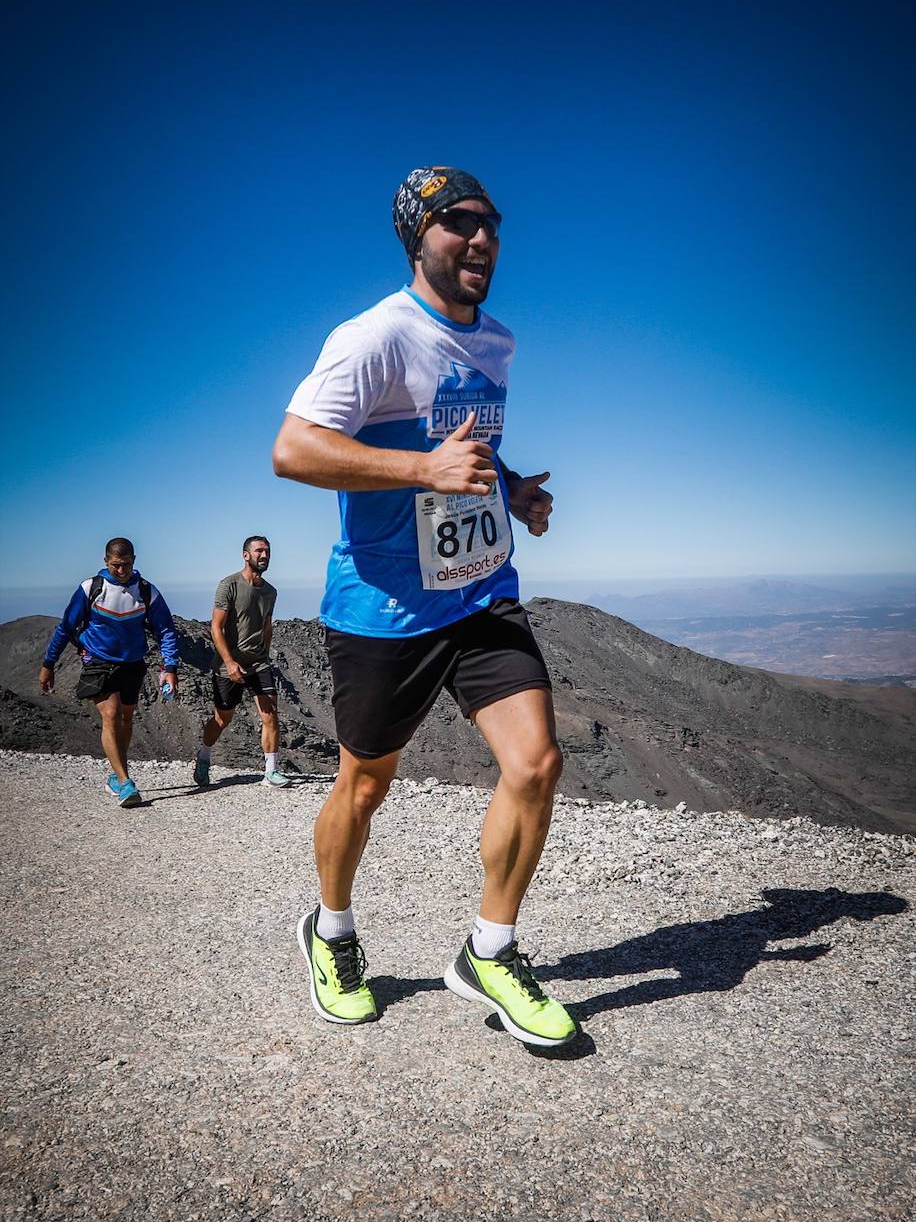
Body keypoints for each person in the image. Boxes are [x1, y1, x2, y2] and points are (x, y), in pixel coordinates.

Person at [272, 166, 576, 1047]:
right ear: (418, 237)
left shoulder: (498, 342)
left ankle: (491, 949)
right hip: (383, 607)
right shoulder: (375, 336)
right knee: (364, 784)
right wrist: (420, 470)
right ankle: (330, 931)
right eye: (458, 223)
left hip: (480, 590)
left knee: (536, 764)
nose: (481, 239)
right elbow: (292, 449)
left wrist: (512, 489)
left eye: (490, 224)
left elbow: (466, 446)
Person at [39, 537, 179, 807]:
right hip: (98, 662)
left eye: (126, 565)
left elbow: (166, 630)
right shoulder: (91, 588)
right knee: (112, 714)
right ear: (106, 562)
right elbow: (66, 627)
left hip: (133, 663)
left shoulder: (147, 591)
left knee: (126, 718)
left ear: (134, 561)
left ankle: (116, 776)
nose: (121, 570)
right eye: (116, 565)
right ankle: (126, 784)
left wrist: (169, 667)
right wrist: (49, 664)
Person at [192, 536, 291, 789]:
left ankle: (270, 771)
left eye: (267, 551)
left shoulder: (270, 592)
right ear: (246, 555)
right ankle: (204, 756)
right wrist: (230, 662)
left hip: (258, 663)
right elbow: (216, 627)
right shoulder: (229, 585)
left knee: (270, 714)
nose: (264, 555)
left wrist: (265, 655)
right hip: (229, 665)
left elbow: (267, 625)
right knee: (223, 719)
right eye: (259, 551)